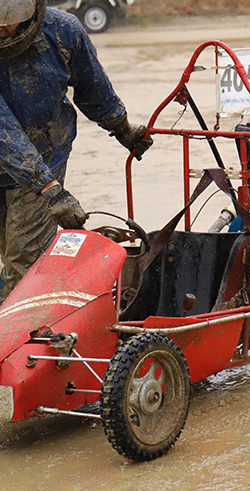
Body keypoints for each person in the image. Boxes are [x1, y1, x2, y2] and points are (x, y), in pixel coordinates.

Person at [0, 0, 152, 301]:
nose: (3, 28)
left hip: (45, 157)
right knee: (10, 257)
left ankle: (21, 341)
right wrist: (52, 189)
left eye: (10, 20)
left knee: (24, 267)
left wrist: (121, 128)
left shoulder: (63, 32)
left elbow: (93, 89)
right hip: (34, 171)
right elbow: (4, 133)